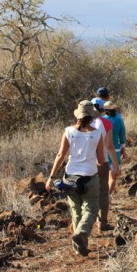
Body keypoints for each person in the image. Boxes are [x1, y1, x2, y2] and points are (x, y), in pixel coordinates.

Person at [45, 100, 106, 256]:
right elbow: (100, 160)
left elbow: (60, 155)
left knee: (76, 211)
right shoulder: (97, 133)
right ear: (92, 117)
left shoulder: (68, 131)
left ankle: (79, 246)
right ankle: (82, 233)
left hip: (70, 177)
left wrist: (51, 177)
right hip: (89, 178)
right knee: (91, 209)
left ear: (78, 116)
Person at [91, 97, 120, 231]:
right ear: (103, 109)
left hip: (85, 164)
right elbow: (109, 146)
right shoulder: (106, 123)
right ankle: (102, 223)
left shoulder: (80, 123)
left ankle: (84, 223)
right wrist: (115, 165)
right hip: (101, 163)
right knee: (103, 193)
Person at [103, 100, 126, 193]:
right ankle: (107, 195)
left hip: (102, 150)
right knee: (113, 176)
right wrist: (123, 150)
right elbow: (122, 135)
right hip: (115, 149)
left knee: (102, 176)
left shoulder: (101, 120)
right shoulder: (119, 119)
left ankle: (101, 197)